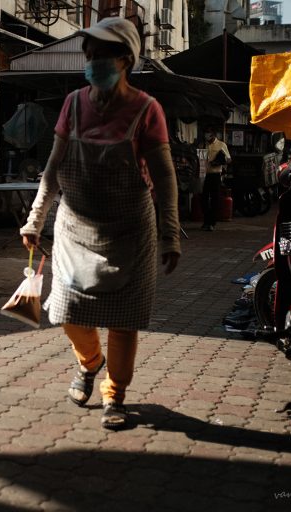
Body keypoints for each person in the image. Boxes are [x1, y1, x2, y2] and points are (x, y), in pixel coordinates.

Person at [19, 17, 181, 430]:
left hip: (131, 230)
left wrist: (170, 235)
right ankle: (90, 362)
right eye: (88, 57)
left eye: (101, 57)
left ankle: (115, 395)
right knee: (66, 310)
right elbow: (52, 169)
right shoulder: (73, 104)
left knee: (123, 320)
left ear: (126, 59)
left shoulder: (147, 109)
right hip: (75, 227)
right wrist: (35, 219)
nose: (92, 64)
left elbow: (164, 176)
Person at [201, 127, 231, 231]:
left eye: (208, 133)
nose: (206, 135)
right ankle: (206, 220)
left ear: (213, 134)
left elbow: (228, 159)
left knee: (215, 199)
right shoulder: (203, 145)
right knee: (203, 198)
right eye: (205, 133)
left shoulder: (221, 145)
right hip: (204, 175)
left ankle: (211, 223)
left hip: (215, 175)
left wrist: (219, 161)